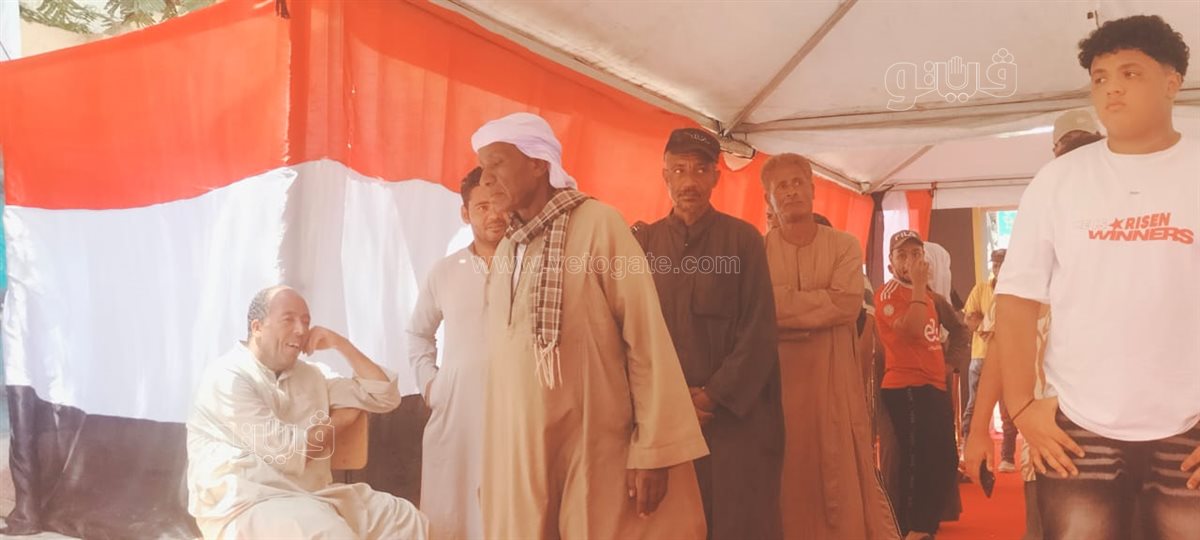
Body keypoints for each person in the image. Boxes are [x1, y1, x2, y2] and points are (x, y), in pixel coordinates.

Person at [995, 15, 1200, 539]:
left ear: (1172, 82)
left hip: (1189, 428)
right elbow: (1015, 298)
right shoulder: (1058, 181)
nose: (1111, 88)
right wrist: (1020, 406)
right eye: (1100, 77)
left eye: (1130, 73)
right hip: (1077, 429)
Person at [473, 112, 708, 540]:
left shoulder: (600, 225)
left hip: (593, 445)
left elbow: (645, 338)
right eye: (482, 168)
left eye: (496, 164)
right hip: (521, 451)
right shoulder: (508, 248)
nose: (485, 179)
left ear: (537, 163)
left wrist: (654, 450)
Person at [962, 108, 1105, 540]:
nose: (1077, 162)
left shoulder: (1135, 225)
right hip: (1048, 433)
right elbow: (1004, 340)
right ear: (1055, 155)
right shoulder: (1036, 236)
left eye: (1087, 149)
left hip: (1135, 433)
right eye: (1069, 151)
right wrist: (979, 429)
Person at [634, 128, 783, 540]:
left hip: (731, 418)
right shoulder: (644, 244)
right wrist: (671, 403)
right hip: (665, 419)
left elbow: (759, 331)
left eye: (700, 170)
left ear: (716, 177)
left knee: (736, 524)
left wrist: (711, 397)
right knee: (672, 527)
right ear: (664, 175)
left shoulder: (743, 241)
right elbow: (634, 334)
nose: (689, 181)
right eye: (679, 170)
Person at [187, 286, 428, 539]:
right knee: (330, 533)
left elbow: (384, 397)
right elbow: (287, 451)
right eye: (288, 320)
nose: (301, 330)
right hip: (245, 504)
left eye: (305, 321)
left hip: (311, 496)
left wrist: (341, 344)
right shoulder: (228, 377)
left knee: (403, 519)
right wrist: (340, 421)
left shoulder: (313, 375)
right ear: (257, 327)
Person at [764, 154, 899, 540]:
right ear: (768, 199)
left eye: (797, 183)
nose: (791, 192)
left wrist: (785, 310)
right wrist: (816, 309)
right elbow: (761, 310)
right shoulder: (758, 251)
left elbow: (846, 304)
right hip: (781, 389)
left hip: (835, 384)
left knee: (838, 475)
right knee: (789, 475)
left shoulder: (844, 245)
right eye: (781, 186)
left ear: (812, 189)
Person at [407, 167, 507, 540]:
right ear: (465, 213)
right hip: (456, 412)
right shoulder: (446, 271)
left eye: (499, 204)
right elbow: (418, 333)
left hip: (515, 411)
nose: (494, 215)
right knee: (452, 513)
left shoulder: (532, 266)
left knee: (509, 510)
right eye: (482, 206)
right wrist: (431, 386)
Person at [875, 230, 959, 540]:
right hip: (906, 386)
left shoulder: (931, 297)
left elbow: (956, 330)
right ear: (891, 263)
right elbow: (911, 330)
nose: (910, 261)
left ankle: (926, 524)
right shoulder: (888, 293)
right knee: (916, 460)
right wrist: (920, 288)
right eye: (902, 255)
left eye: (916, 254)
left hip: (934, 384)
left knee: (945, 458)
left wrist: (949, 363)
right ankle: (912, 527)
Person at [961, 249, 1018, 472]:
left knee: (1009, 410)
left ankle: (1007, 457)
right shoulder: (981, 289)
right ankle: (969, 452)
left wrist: (986, 324)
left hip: (1007, 358)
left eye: (1002, 264)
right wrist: (993, 327)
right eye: (995, 265)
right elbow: (969, 319)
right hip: (981, 357)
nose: (998, 269)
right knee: (974, 407)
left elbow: (1016, 324)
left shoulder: (1016, 292)